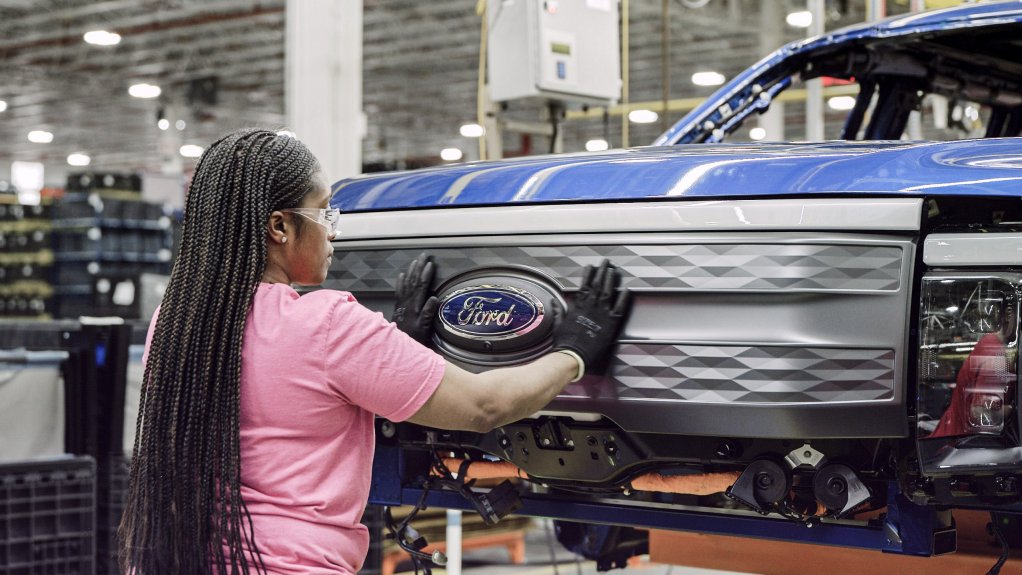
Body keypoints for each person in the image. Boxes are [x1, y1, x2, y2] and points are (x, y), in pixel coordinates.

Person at [118, 128, 630, 575]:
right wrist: (574, 350)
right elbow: (484, 407)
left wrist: (396, 349)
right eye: (323, 213)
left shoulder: (176, 320)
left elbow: (286, 398)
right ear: (279, 227)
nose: (333, 232)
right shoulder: (324, 323)